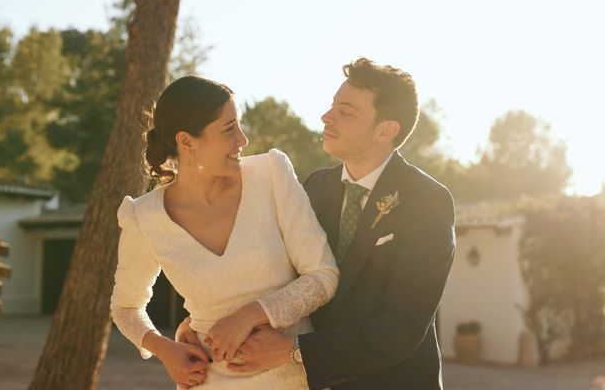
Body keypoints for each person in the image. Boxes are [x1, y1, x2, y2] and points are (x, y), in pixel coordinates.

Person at [180, 58, 456, 389]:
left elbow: (401, 330)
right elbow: (271, 274)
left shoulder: (427, 201)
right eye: (332, 106)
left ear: (387, 130)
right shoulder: (314, 187)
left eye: (346, 112)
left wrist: (295, 352)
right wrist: (197, 326)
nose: (327, 117)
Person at [110, 75, 339, 389]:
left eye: (239, 124)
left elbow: (322, 275)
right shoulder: (143, 216)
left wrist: (250, 315)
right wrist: (166, 350)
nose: (242, 139)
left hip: (290, 376)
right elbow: (125, 307)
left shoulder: (271, 175)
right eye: (229, 128)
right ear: (187, 142)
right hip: (207, 380)